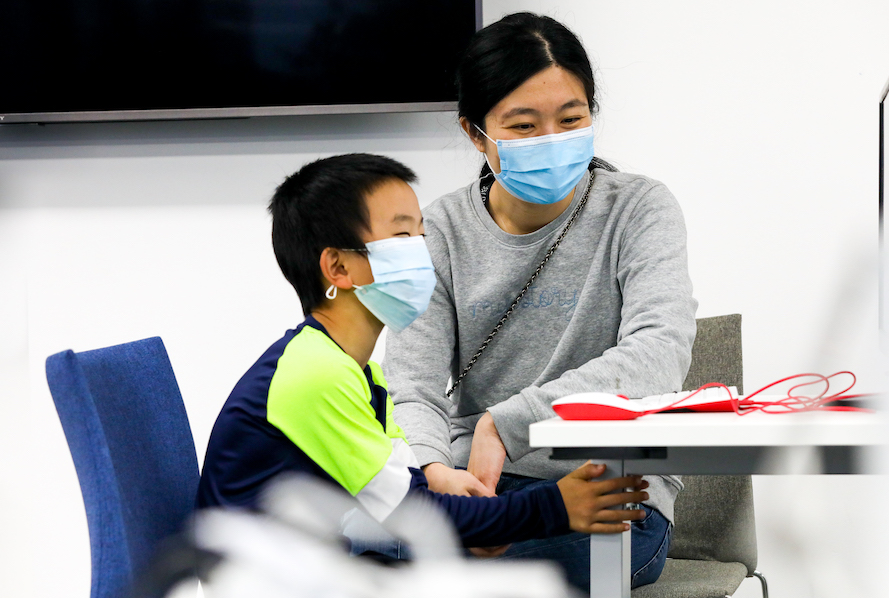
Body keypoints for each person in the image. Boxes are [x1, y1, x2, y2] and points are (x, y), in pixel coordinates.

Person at [195, 153, 651, 555]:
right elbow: (414, 515)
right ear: (338, 267)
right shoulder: (315, 374)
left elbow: (410, 489)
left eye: (421, 233)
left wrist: (450, 485)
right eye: (402, 237)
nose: (423, 253)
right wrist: (554, 506)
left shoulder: (358, 372)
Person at [383, 13, 698, 591]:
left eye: (571, 119)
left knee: (408, 576)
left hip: (609, 496)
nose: (552, 140)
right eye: (524, 125)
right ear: (476, 134)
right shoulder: (439, 232)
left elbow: (658, 352)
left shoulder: (640, 209)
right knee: (327, 541)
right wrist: (433, 471)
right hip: (475, 488)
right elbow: (411, 384)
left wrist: (506, 425)